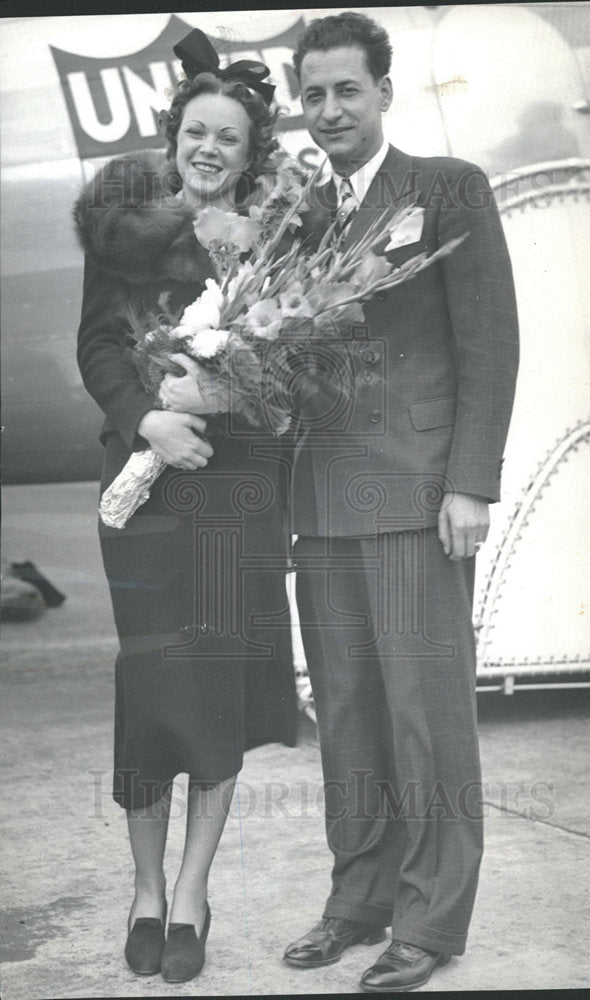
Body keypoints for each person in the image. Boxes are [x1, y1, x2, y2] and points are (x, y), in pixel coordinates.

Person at [283, 12, 519, 992]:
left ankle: (428, 920)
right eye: (314, 93)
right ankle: (358, 899)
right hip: (323, 499)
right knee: (345, 715)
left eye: (346, 89)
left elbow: (489, 341)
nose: (329, 108)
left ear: (383, 92)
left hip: (419, 497)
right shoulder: (291, 213)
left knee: (426, 716)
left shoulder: (445, 187)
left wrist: (469, 480)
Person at [75, 31, 296, 985]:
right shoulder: (122, 238)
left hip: (235, 492)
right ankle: (144, 891)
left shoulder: (273, 246)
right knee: (155, 689)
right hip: (147, 490)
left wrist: (232, 392)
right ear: (173, 139)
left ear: (251, 157)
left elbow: (297, 372)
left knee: (214, 696)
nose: (210, 149)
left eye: (230, 139)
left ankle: (193, 893)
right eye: (197, 132)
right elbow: (95, 351)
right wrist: (145, 424)